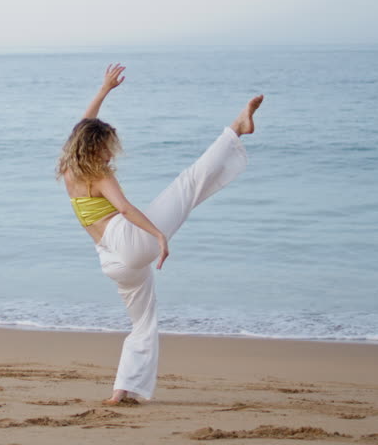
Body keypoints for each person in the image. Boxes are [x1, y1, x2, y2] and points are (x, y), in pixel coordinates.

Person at [57, 63, 262, 404]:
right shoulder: (100, 175)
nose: (111, 152)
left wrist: (104, 91)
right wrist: (159, 236)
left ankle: (124, 390)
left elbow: (80, 127)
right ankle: (235, 129)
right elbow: (124, 208)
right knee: (188, 182)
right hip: (131, 241)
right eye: (107, 146)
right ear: (94, 148)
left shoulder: (68, 170)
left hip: (112, 261)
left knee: (143, 324)